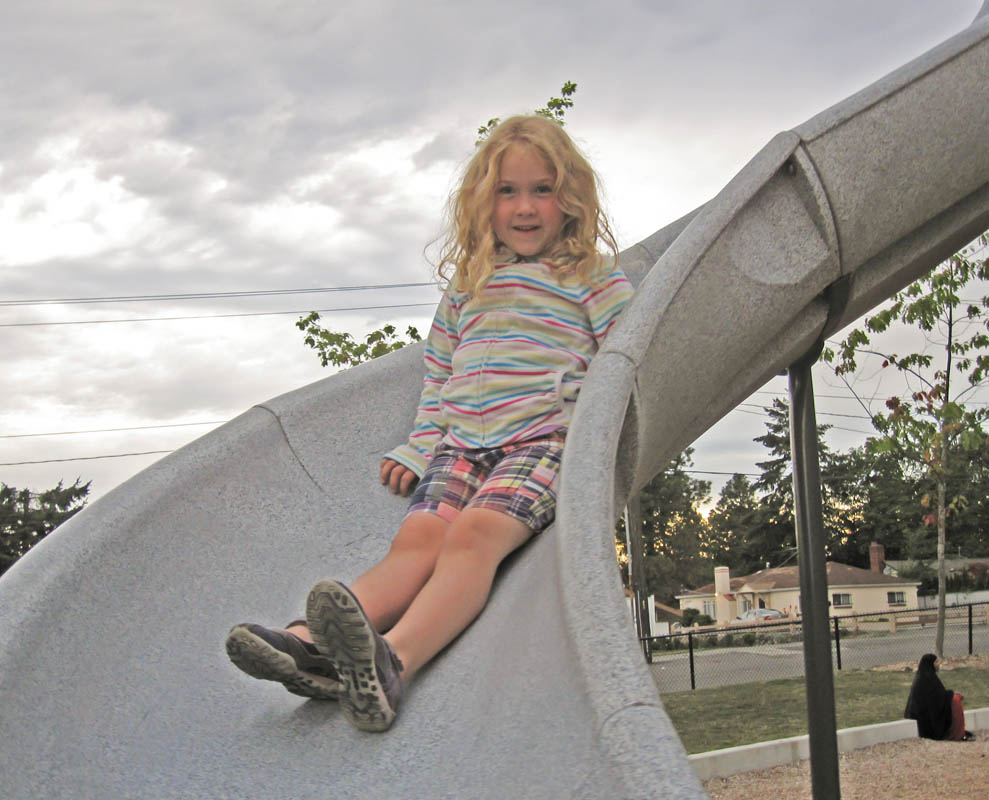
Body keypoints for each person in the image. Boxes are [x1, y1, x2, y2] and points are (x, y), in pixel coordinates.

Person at [225, 114, 634, 732]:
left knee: (473, 536)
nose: (525, 208)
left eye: (542, 189)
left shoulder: (590, 274)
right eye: (507, 191)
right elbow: (439, 375)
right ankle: (312, 645)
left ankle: (396, 662)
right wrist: (421, 447)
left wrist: (587, 399)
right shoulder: (469, 285)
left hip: (544, 441)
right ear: (482, 202)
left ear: (569, 197)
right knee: (415, 544)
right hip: (462, 447)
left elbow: (628, 354)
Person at [904, 653, 975, 741]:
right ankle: (956, 735)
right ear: (930, 664)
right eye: (936, 662)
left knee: (955, 698)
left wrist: (951, 694)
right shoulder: (927, 678)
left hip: (927, 715)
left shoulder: (925, 676)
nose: (938, 664)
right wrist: (952, 695)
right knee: (956, 701)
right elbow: (937, 699)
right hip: (926, 720)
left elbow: (938, 695)